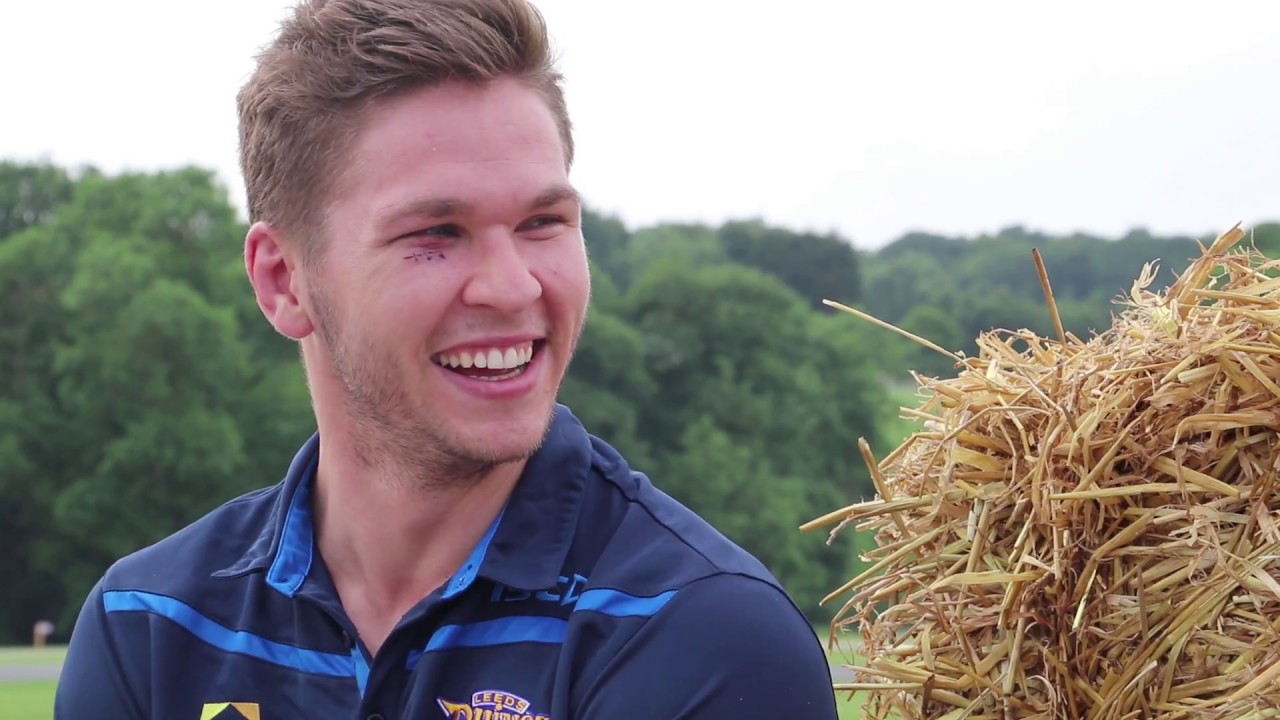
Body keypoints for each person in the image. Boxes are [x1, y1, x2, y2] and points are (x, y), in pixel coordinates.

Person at [54, 0, 839, 717]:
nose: (511, 286)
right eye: (435, 234)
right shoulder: (150, 625)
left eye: (542, 222)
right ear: (283, 280)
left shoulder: (700, 632)